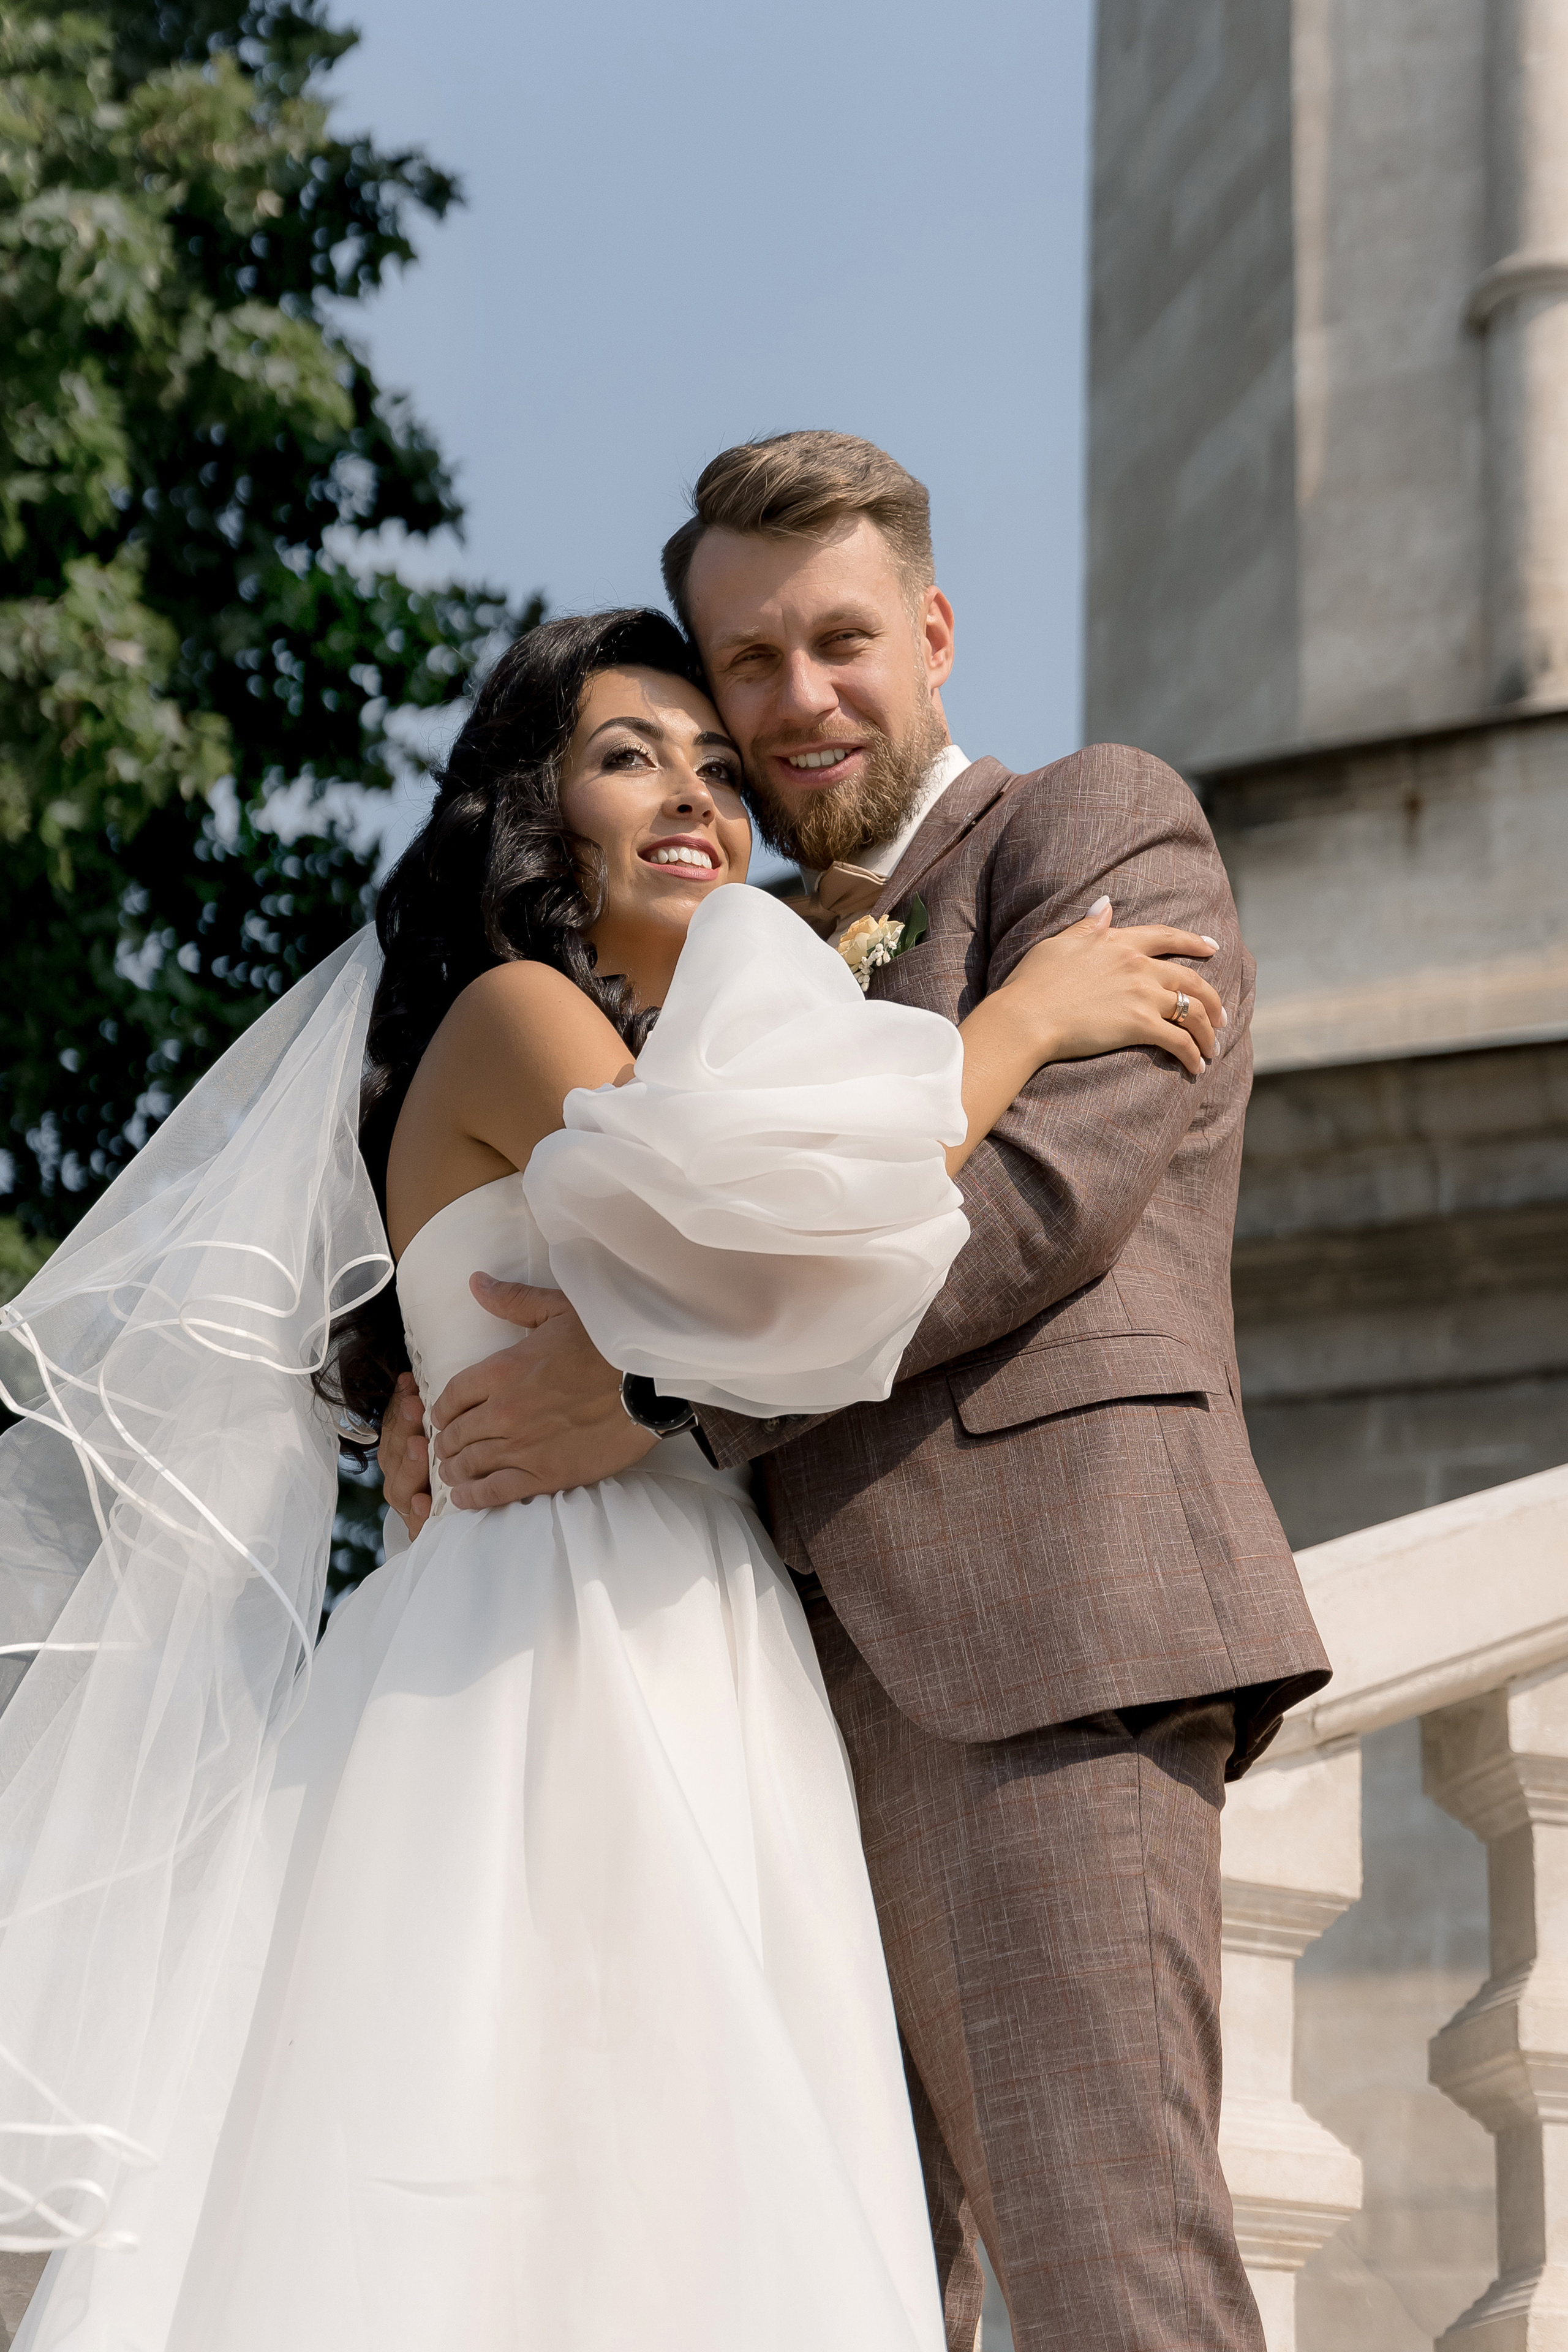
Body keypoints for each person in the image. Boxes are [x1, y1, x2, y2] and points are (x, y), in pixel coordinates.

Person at [0, 608, 1227, 2351]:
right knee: (555, 2147)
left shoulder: (654, 1043)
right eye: (627, 756)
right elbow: (770, 1214)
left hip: (702, 1626)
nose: (694, 797)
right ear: (532, 813)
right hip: (548, 1650)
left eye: (718, 770)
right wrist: (1024, 1016)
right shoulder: (516, 1018)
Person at [380, 434, 1334, 2352]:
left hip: (1035, 1653)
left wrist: (655, 1398)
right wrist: (415, 1383)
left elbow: (1031, 1208)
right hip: (751, 1704)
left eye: (839, 643)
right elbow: (567, 1197)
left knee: (1106, 2272)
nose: (793, 703)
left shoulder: (1099, 826)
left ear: (937, 631)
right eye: (744, 667)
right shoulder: (719, 966)